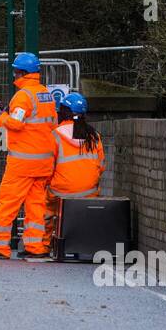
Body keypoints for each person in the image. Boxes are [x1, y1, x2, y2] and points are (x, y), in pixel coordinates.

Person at [0, 52, 58, 260]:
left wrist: (2, 114)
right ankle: (36, 247)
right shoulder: (46, 94)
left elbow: (16, 123)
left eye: (15, 71)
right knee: (36, 206)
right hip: (43, 162)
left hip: (23, 162)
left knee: (8, 203)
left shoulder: (23, 96)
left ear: (21, 72)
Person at [46, 92, 106, 239]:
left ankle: (43, 245)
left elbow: (48, 167)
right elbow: (102, 166)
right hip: (89, 192)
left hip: (61, 192)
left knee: (42, 207)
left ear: (65, 112)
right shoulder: (94, 136)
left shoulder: (55, 134)